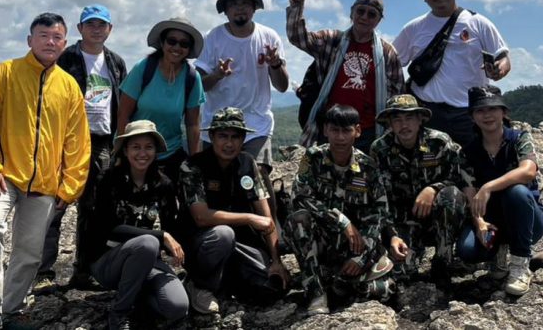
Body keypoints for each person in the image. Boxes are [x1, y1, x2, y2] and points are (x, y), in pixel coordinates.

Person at [0, 13, 90, 330]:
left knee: (29, 251)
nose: (50, 42)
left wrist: (69, 188)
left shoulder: (68, 87)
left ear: (65, 43)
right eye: (43, 35)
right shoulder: (5, 74)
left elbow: (77, 141)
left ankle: (13, 310)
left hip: (44, 182)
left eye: (57, 37)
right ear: (30, 40)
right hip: (4, 175)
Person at [34, 5, 128, 293]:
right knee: (54, 205)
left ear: (110, 29)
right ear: (80, 29)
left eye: (102, 25)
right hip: (65, 139)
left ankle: (85, 271)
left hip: (101, 141)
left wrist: (119, 142)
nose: (97, 29)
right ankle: (43, 273)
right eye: (91, 25)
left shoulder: (115, 62)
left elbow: (122, 101)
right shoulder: (65, 58)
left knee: (95, 209)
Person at [284, 105, 394, 315]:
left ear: (358, 131)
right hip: (322, 241)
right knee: (299, 219)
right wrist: (341, 220)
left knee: (383, 292)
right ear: (325, 130)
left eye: (347, 131)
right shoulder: (313, 158)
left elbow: (379, 215)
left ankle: (340, 284)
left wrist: (361, 258)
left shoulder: (367, 167)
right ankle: (316, 292)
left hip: (354, 246)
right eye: (335, 130)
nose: (340, 137)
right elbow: (300, 197)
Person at [179, 107, 290, 314]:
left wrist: (276, 261)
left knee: (271, 288)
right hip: (204, 242)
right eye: (222, 136)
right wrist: (249, 218)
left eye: (235, 137)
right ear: (211, 136)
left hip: (240, 244)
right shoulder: (193, 166)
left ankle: (227, 282)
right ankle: (199, 285)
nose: (229, 143)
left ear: (243, 138)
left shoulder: (247, 163)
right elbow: (201, 217)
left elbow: (266, 217)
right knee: (223, 234)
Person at [83, 120, 189, 330]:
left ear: (156, 151)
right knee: (148, 242)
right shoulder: (108, 180)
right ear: (125, 150)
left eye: (148, 147)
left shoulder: (163, 185)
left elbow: (172, 226)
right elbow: (107, 228)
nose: (143, 153)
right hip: (107, 261)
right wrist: (162, 236)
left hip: (148, 260)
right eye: (136, 147)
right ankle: (120, 313)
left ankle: (138, 296)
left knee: (178, 307)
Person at [392, 0, 510, 146]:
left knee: (472, 165)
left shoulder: (477, 22)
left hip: (468, 112)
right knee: (429, 167)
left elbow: (502, 57)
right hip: (427, 111)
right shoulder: (414, 28)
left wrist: (499, 70)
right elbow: (391, 61)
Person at [370, 94, 472, 285]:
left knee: (452, 195)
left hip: (439, 216)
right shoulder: (380, 149)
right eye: (397, 119)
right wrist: (391, 236)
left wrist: (433, 189)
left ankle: (443, 260)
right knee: (402, 275)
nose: (404, 125)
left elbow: (462, 177)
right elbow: (379, 197)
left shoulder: (440, 142)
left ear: (419, 120)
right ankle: (409, 257)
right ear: (390, 123)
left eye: (409, 118)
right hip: (404, 220)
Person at [287, 0, 403, 151]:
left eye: (372, 14)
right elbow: (298, 37)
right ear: (351, 13)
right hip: (333, 128)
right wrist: (296, 7)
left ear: (378, 20)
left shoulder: (387, 52)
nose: (364, 17)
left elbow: (396, 94)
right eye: (360, 11)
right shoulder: (332, 40)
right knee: (330, 173)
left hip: (369, 130)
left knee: (362, 175)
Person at [456, 86, 543, 296]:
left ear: (503, 113)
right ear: (472, 116)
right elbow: (470, 191)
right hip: (492, 220)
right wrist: (479, 223)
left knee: (517, 192)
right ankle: (499, 253)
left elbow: (528, 171)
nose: (487, 115)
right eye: (480, 110)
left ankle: (520, 264)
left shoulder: (519, 139)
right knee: (467, 250)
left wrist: (488, 186)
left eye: (493, 109)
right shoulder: (468, 152)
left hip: (528, 218)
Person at [197, 0, 290, 173]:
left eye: (245, 3)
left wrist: (275, 64)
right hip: (217, 127)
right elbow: (198, 86)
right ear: (225, 11)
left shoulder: (269, 37)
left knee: (258, 177)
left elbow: (282, 86)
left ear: (254, 8)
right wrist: (217, 75)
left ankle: (270, 205)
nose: (240, 8)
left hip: (256, 125)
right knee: (214, 182)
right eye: (233, 4)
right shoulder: (212, 38)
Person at [117, 17, 205, 180]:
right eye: (172, 41)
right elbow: (123, 114)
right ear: (163, 43)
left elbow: (193, 124)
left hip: (171, 153)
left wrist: (195, 163)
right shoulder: (143, 69)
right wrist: (121, 153)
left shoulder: (192, 78)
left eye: (184, 44)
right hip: (137, 153)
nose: (177, 47)